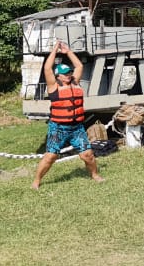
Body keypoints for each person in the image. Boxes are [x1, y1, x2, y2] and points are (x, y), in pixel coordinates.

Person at [34, 41, 103, 186]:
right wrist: (54, 51)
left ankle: (95, 175)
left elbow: (79, 66)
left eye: (69, 73)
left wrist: (68, 51)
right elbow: (47, 68)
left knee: (87, 155)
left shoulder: (75, 83)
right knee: (51, 156)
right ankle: (36, 181)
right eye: (65, 74)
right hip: (58, 128)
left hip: (77, 127)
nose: (69, 75)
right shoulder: (54, 87)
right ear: (58, 76)